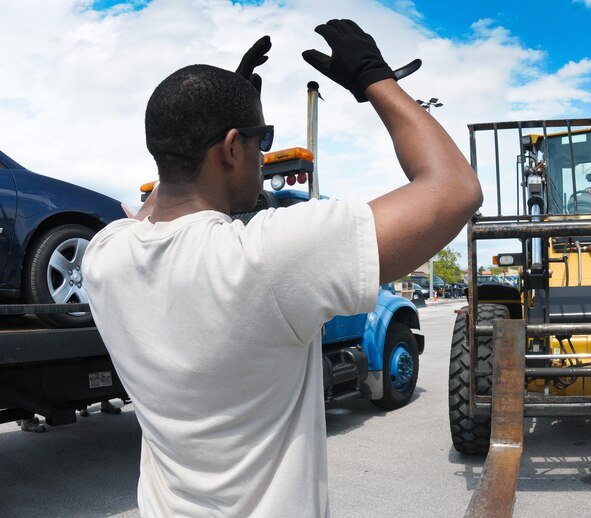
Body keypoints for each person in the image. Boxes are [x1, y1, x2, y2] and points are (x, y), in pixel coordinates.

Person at [82, 19, 481, 517]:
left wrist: (213, 120)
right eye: (259, 140)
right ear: (231, 149)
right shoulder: (266, 258)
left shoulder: (105, 256)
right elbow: (456, 189)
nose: (262, 153)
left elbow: (157, 203)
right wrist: (375, 81)